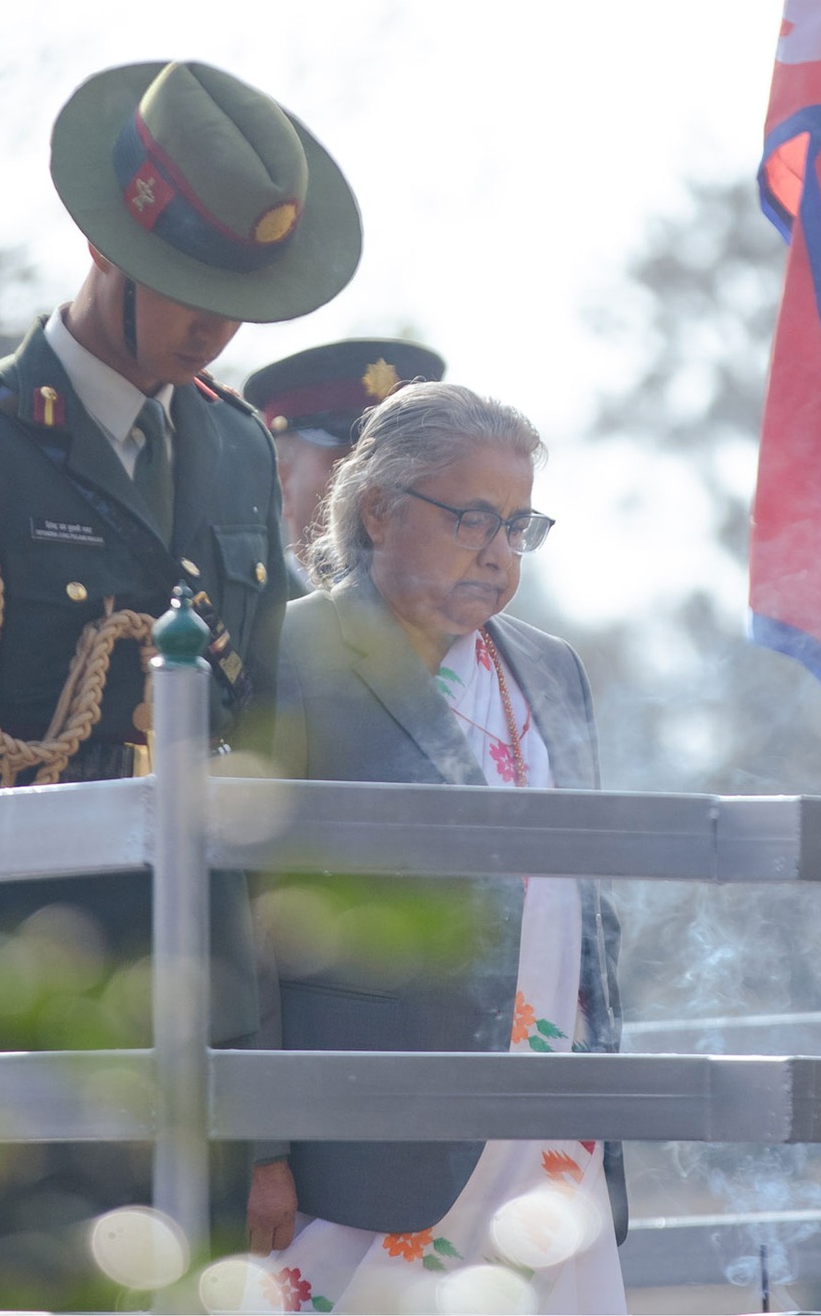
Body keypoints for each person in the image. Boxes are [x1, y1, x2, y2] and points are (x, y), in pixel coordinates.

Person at [0, 59, 361, 1309]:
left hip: (215, 1008)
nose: (213, 327)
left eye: (238, 299)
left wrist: (276, 1067)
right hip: (27, 999)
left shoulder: (236, 445)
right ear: (101, 244)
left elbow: (266, 742)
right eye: (188, 289)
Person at [246, 382, 625, 1314]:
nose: (497, 554)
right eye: (471, 519)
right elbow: (240, 913)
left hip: (547, 1121)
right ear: (379, 509)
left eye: (517, 526)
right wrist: (257, 1147)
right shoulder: (290, 655)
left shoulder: (550, 666)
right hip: (370, 1149)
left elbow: (592, 901)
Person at [243, 338, 446, 597]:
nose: (383, 486)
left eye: (403, 465)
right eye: (350, 465)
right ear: (282, 483)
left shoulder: (456, 624)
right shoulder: (243, 617)